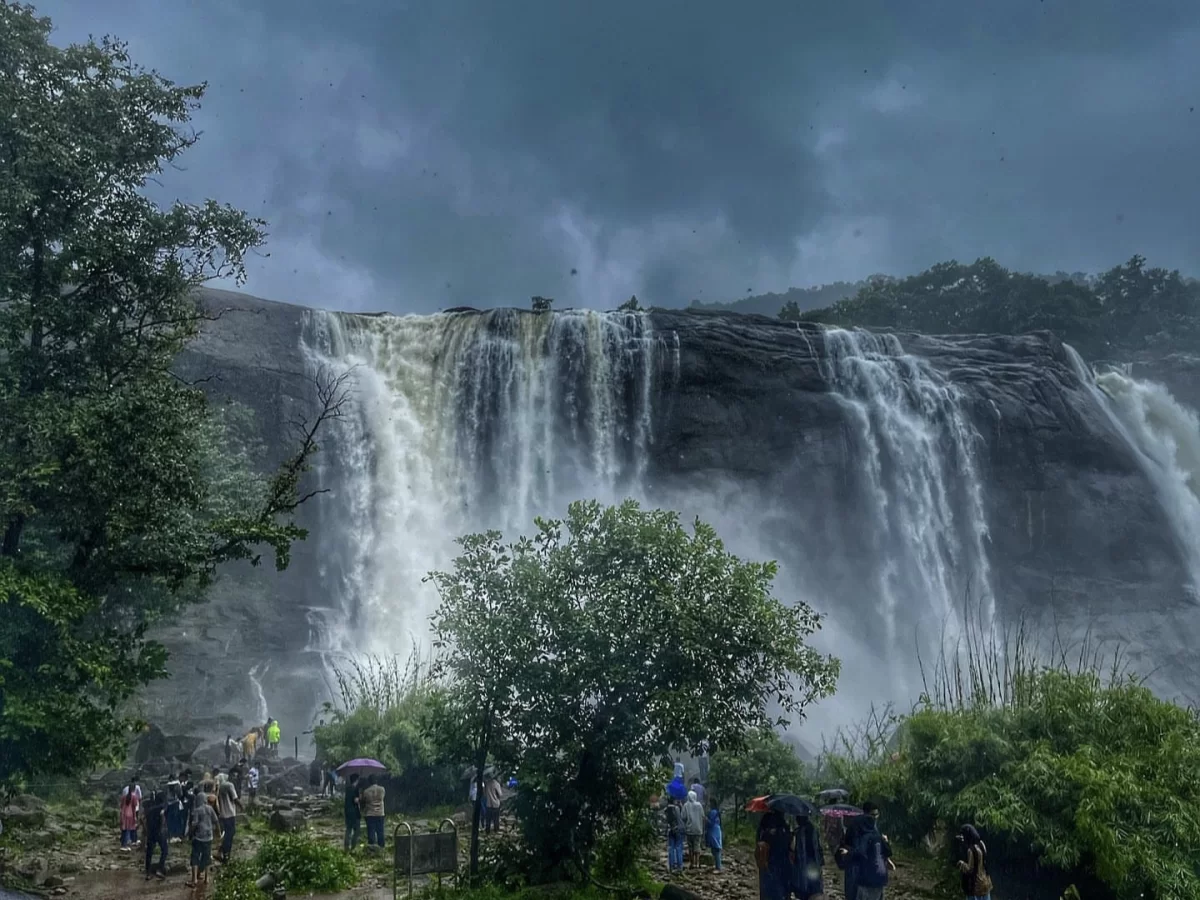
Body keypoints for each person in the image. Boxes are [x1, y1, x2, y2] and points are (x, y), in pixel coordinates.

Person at [847, 804, 893, 900]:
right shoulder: (874, 832)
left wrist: (848, 853)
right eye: (873, 815)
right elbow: (887, 851)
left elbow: (859, 852)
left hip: (865, 874)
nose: (875, 817)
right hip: (877, 875)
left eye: (877, 815)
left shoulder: (863, 830)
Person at [186, 787, 220, 888]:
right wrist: (218, 833)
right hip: (209, 837)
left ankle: (194, 880)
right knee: (206, 857)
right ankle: (206, 878)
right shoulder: (210, 808)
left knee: (195, 858)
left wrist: (190, 833)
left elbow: (194, 824)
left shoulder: (197, 810)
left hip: (199, 837)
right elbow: (216, 821)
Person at [756, 810, 793, 900]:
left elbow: (758, 844)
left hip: (767, 863)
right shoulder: (784, 828)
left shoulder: (764, 825)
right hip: (782, 863)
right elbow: (789, 846)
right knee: (782, 889)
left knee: (767, 889)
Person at [792, 813, 824, 900]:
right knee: (814, 888)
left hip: (805, 863)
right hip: (814, 862)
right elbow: (819, 847)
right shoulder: (813, 829)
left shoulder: (800, 832)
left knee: (805, 887)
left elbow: (796, 850)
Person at [957, 824, 993, 900]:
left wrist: (962, 863)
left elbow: (970, 869)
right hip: (985, 880)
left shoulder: (971, 850)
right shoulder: (982, 844)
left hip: (975, 884)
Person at [141, 790, 168, 880]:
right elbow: (162, 819)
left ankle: (148, 873)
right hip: (158, 832)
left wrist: (146, 830)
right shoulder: (161, 808)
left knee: (149, 852)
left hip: (150, 832)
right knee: (164, 850)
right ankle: (160, 868)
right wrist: (162, 830)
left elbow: (144, 819)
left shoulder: (150, 808)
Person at [216, 770, 241, 863]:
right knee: (230, 834)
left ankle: (223, 853)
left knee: (227, 833)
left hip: (223, 814)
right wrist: (241, 807)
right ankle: (224, 853)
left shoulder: (219, 787)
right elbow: (235, 798)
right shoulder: (229, 785)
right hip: (230, 813)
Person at [683, 790, 705, 869]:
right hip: (698, 829)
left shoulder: (686, 805)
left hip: (689, 830)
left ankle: (692, 863)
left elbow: (683, 817)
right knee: (697, 846)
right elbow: (703, 816)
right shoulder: (699, 805)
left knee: (691, 848)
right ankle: (697, 862)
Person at [663, 797, 685, 875]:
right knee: (679, 847)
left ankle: (672, 866)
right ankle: (679, 866)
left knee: (671, 848)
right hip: (678, 829)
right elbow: (681, 818)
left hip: (670, 830)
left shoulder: (666, 810)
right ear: (674, 800)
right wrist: (680, 806)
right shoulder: (677, 808)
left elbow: (665, 821)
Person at [118, 780, 141, 850]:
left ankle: (123, 844)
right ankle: (125, 845)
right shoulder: (134, 797)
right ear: (134, 789)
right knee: (128, 829)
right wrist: (135, 817)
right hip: (130, 814)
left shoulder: (124, 797)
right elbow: (134, 807)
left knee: (124, 829)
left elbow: (121, 806)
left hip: (123, 814)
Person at [343, 773, 362, 851]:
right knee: (357, 830)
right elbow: (355, 800)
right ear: (356, 780)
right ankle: (353, 846)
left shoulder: (348, 788)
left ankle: (346, 847)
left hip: (347, 812)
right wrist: (360, 797)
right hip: (354, 813)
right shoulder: (354, 789)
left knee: (348, 829)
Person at [705, 800, 724, 873]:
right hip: (716, 830)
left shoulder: (713, 812)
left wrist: (706, 820)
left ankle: (718, 867)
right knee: (716, 849)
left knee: (716, 849)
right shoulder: (716, 812)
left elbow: (711, 823)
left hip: (713, 831)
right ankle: (717, 866)